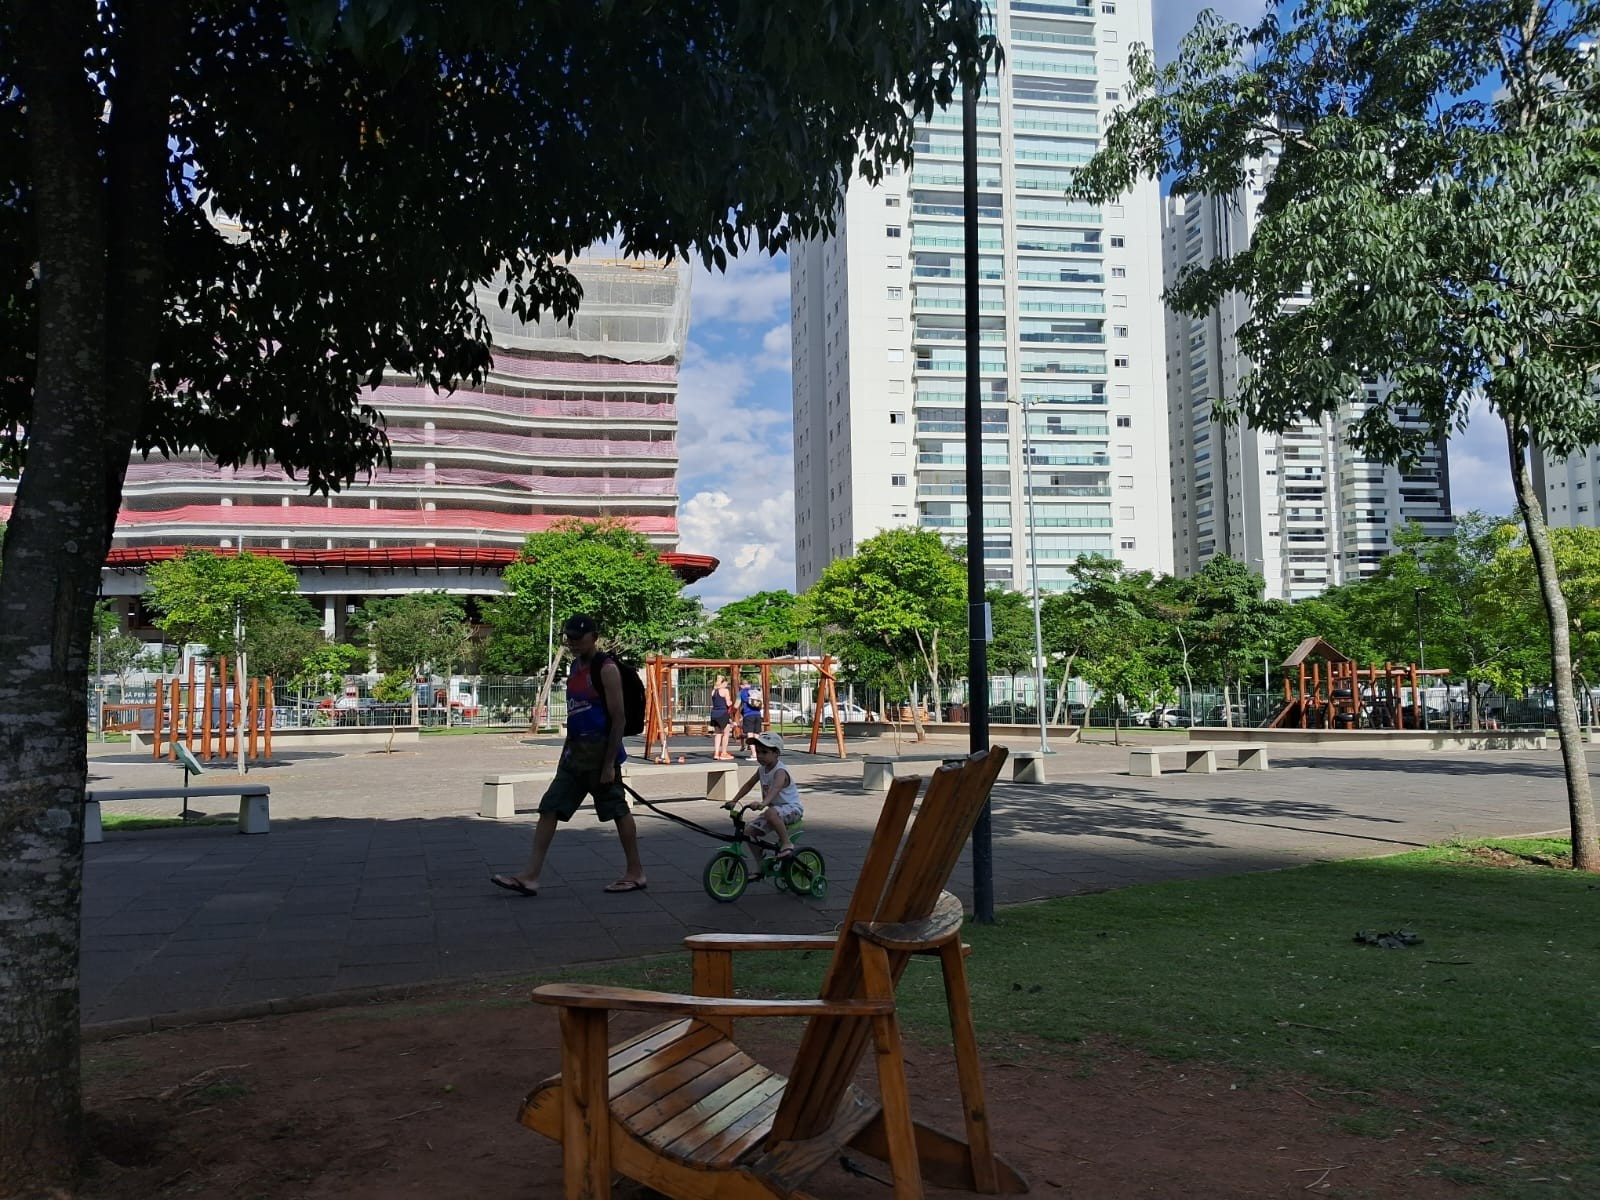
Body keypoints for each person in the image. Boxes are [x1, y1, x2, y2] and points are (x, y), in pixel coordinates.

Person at [490, 614, 647, 897]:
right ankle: (530, 876)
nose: (573, 643)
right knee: (549, 807)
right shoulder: (575, 666)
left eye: (578, 638)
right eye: (569, 638)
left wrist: (610, 763)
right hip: (574, 756)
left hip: (600, 756)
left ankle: (635, 872)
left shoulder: (606, 668)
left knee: (617, 810)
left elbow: (619, 719)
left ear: (594, 637)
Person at [725, 730, 802, 870]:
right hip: (774, 811)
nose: (760, 756)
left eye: (764, 752)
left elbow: (776, 788)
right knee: (748, 833)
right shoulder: (762, 769)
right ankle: (762, 864)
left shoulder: (780, 771)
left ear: (776, 753)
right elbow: (748, 784)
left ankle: (786, 843)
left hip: (792, 809)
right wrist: (734, 800)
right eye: (758, 752)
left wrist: (763, 803)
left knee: (770, 812)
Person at [709, 674, 734, 761]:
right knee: (726, 734)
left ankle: (716, 753)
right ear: (724, 682)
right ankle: (723, 753)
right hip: (723, 713)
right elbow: (728, 703)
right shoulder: (725, 691)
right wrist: (731, 702)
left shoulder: (713, 691)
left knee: (718, 733)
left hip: (714, 713)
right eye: (726, 683)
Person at [738, 681, 763, 758]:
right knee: (757, 734)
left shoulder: (741, 692)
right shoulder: (755, 691)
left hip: (748, 715)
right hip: (758, 714)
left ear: (741, 685)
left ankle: (754, 754)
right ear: (749, 684)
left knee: (750, 734)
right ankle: (759, 752)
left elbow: (736, 705)